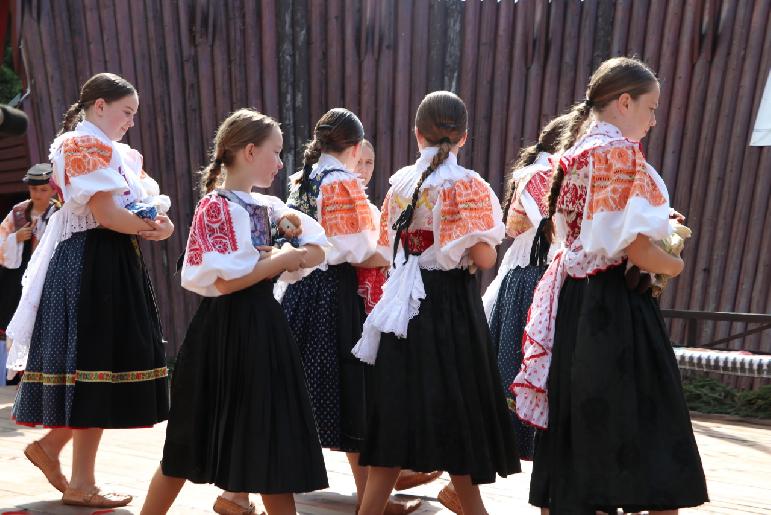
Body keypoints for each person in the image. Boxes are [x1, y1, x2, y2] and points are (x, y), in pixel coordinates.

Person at [514, 57, 709, 514]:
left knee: (580, 429)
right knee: (648, 430)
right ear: (624, 102)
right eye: (651, 107)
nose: (654, 119)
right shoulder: (619, 154)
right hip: (614, 308)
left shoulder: (576, 153)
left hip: (574, 305)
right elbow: (637, 250)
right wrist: (673, 265)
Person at [141, 108, 329, 515]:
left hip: (263, 329)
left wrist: (280, 256)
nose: (281, 162)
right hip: (222, 332)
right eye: (275, 152)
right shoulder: (217, 207)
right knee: (188, 442)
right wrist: (281, 260)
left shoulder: (270, 206)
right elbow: (227, 281)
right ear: (248, 151)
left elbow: (316, 248)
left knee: (271, 445)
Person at [11, 72, 173, 508]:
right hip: (90, 260)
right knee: (95, 363)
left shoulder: (117, 152)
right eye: (126, 112)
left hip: (111, 258)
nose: (130, 122)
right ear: (98, 105)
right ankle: (77, 476)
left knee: (103, 363)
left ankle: (63, 458)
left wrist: (156, 225)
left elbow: (136, 208)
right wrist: (151, 229)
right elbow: (106, 213)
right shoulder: (79, 145)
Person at [353, 91, 521, 515]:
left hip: (405, 308)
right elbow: (483, 256)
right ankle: (474, 509)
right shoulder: (468, 186)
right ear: (464, 137)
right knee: (457, 411)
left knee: (396, 411)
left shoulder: (400, 183)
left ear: (416, 134)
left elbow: (388, 242)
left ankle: (369, 510)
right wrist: (475, 250)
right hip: (449, 308)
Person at [0, 164, 60, 382]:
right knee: (17, 326)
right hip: (19, 279)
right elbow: (0, 238)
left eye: (43, 190)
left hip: (48, 277)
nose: (38, 194)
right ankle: (17, 378)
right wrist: (15, 239)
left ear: (53, 190)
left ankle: (42, 376)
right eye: (34, 190)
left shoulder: (59, 212)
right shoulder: (18, 212)